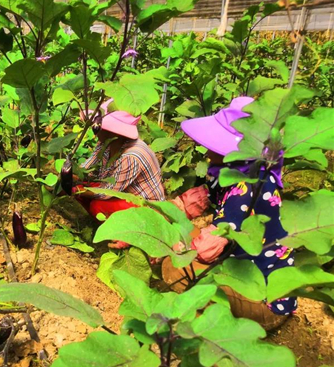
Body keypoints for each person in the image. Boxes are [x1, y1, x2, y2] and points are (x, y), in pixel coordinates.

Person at [174, 96, 296, 322]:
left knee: (176, 269)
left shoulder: (248, 184)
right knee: (178, 236)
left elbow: (208, 249)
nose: (208, 151)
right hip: (244, 271)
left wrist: (174, 248)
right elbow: (190, 203)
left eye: (214, 145)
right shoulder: (230, 173)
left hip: (263, 298)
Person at [74, 99, 165, 248]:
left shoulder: (131, 156)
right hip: (125, 194)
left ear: (112, 131)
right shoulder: (107, 143)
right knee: (82, 189)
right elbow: (86, 170)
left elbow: (106, 192)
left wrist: (76, 189)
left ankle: (125, 236)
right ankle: (107, 228)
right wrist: (72, 177)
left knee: (97, 206)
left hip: (147, 207)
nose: (94, 129)